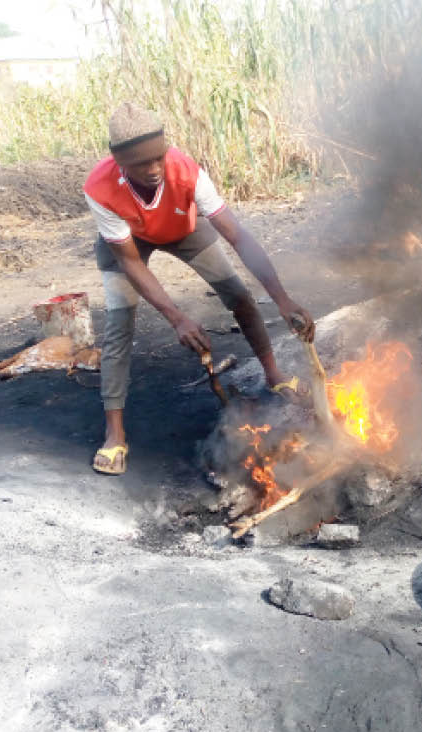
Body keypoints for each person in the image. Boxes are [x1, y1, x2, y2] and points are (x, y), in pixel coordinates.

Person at [83, 103, 315, 475]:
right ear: (119, 161)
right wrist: (176, 318)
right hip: (127, 245)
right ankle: (115, 434)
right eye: (142, 164)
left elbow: (237, 235)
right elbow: (130, 262)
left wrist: (282, 298)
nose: (155, 168)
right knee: (118, 325)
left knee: (239, 296)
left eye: (159, 157)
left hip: (183, 229)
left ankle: (274, 376)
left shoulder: (186, 171)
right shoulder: (99, 188)